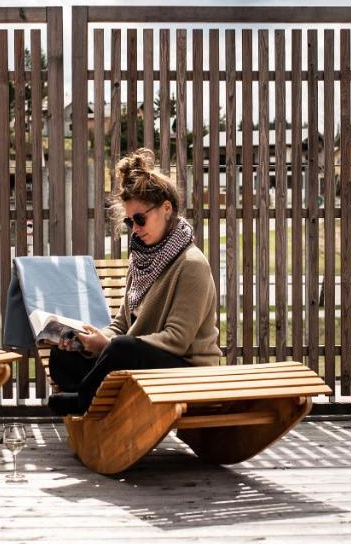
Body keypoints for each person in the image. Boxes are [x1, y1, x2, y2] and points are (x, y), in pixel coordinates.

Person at [48, 148, 222, 415]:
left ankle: (85, 401)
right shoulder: (141, 259)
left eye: (140, 219)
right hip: (140, 360)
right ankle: (96, 393)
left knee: (122, 348)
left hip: (187, 369)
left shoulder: (191, 265)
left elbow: (177, 340)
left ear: (166, 209)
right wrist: (92, 340)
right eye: (130, 222)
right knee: (64, 355)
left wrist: (109, 346)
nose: (135, 229)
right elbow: (121, 324)